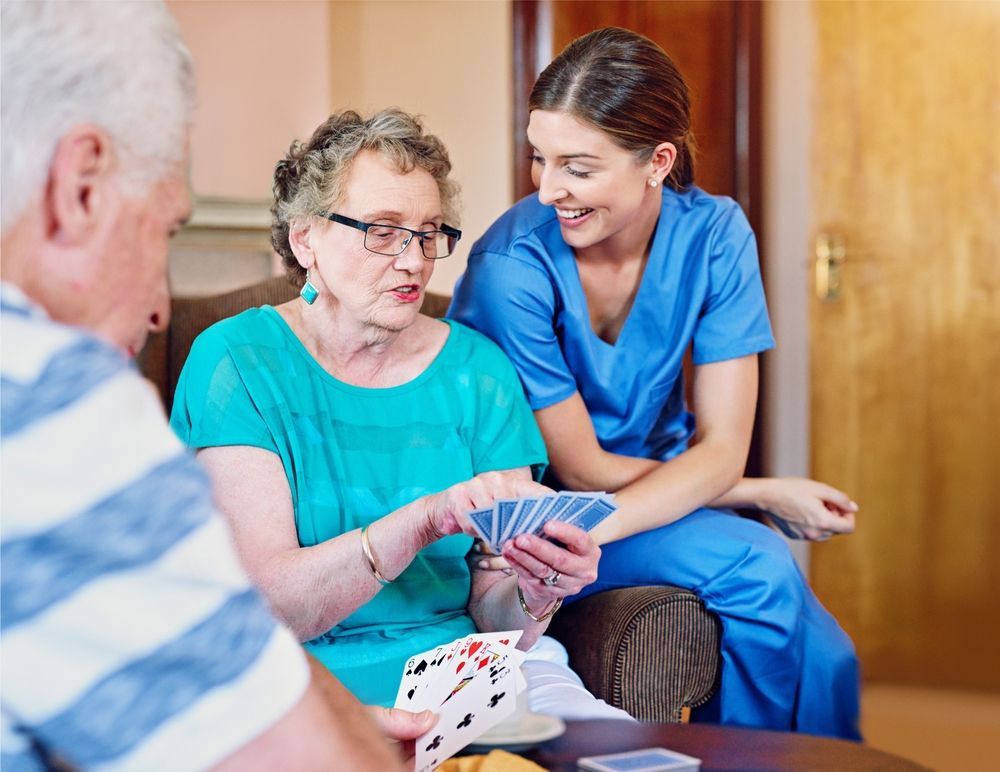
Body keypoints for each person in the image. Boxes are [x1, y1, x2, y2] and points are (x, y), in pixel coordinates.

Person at [0, 2, 434, 769]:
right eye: (166, 230)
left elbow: (219, 643)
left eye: (426, 235)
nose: (161, 307)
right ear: (82, 185)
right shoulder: (47, 399)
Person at [449, 27, 861, 740]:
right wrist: (757, 494)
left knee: (828, 652)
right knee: (758, 564)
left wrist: (730, 482)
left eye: (577, 166)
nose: (548, 190)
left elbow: (723, 446)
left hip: (655, 500)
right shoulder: (512, 266)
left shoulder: (717, 234)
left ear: (657, 162)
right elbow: (581, 468)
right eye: (539, 158)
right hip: (548, 516)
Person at [168, 108, 630, 721]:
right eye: (382, 231)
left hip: (462, 677)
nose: (413, 260)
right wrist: (421, 522)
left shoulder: (479, 371)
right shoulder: (237, 360)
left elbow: (500, 621)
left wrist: (536, 591)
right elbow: (272, 610)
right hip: (293, 681)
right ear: (305, 238)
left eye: (429, 232)